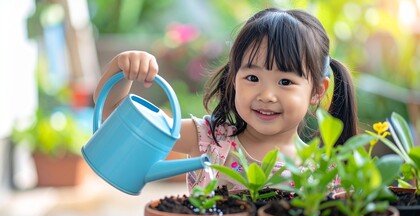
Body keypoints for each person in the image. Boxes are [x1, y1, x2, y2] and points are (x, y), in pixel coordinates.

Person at [93, 8, 358, 192]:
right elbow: (112, 115)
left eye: (285, 82)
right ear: (234, 79)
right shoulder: (210, 138)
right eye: (252, 78)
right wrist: (121, 68)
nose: (266, 95)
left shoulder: (324, 171)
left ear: (317, 91)